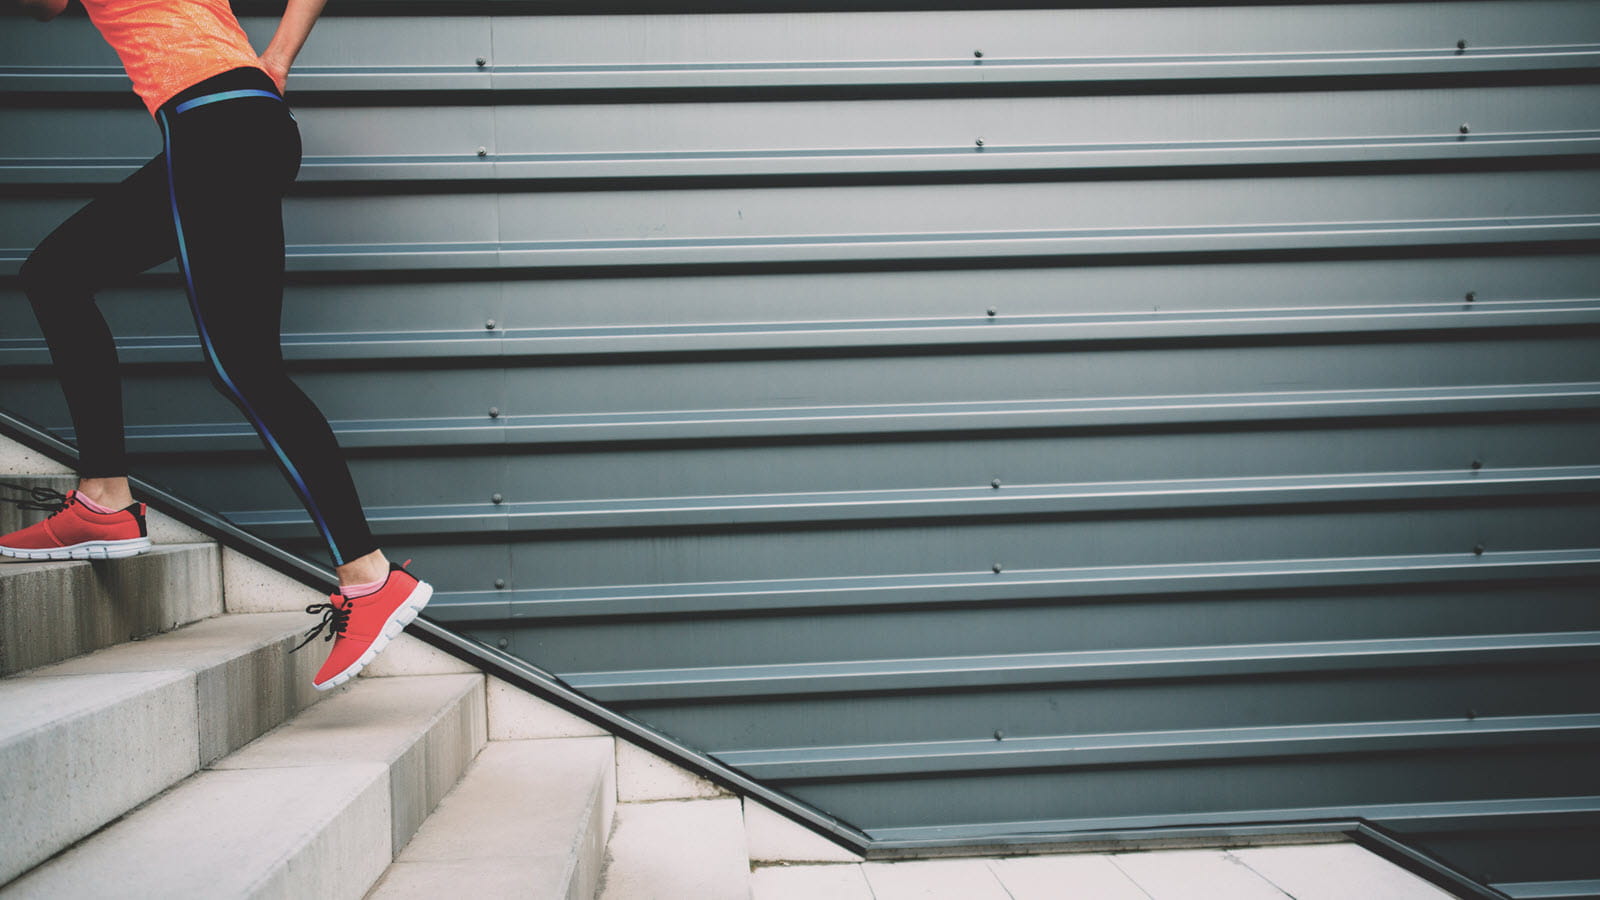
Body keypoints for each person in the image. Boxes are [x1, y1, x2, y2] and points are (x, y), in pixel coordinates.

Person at [0, 0, 431, 691]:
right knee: (57, 275)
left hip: (211, 124)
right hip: (247, 116)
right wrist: (280, 57)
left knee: (243, 368)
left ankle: (368, 574)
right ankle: (105, 499)